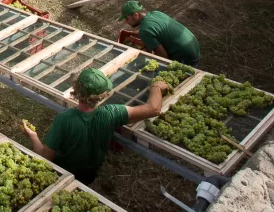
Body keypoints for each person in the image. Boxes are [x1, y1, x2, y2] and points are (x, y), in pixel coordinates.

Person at [21, 68, 169, 185]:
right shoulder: (111, 113)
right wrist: (156, 87)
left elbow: (46, 158)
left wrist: (33, 136)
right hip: (89, 176)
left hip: (62, 175)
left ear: (75, 89)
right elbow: (154, 108)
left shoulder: (64, 120)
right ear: (102, 95)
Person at [119, 0, 201, 66]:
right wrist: (133, 33)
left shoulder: (145, 31)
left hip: (186, 58)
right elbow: (154, 30)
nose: (126, 22)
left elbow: (163, 58)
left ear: (135, 15)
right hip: (194, 48)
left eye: (126, 18)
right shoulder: (156, 13)